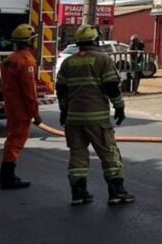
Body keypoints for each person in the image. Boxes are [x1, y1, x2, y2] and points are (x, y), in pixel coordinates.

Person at [56, 24, 136, 206]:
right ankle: (117, 192)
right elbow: (111, 86)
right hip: (96, 118)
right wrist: (119, 107)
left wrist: (63, 111)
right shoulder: (103, 59)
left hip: (73, 119)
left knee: (77, 154)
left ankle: (78, 193)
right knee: (109, 153)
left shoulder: (68, 62)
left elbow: (60, 89)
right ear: (95, 40)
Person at [0, 24, 43, 190]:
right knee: (16, 141)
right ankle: (8, 176)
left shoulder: (9, 60)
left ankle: (4, 175)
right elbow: (30, 91)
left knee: (12, 139)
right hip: (21, 109)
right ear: (30, 42)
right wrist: (35, 114)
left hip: (11, 106)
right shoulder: (26, 61)